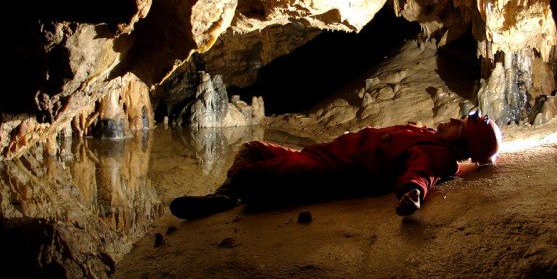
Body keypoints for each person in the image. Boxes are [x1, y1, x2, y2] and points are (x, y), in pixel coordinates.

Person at [169, 108, 503, 220]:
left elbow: (421, 175)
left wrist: (413, 194)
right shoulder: (426, 135)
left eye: (458, 123)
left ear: (462, 143)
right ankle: (225, 195)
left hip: (329, 172)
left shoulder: (435, 156)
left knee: (248, 177)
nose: (449, 119)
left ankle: (228, 195)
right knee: (254, 146)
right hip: (322, 153)